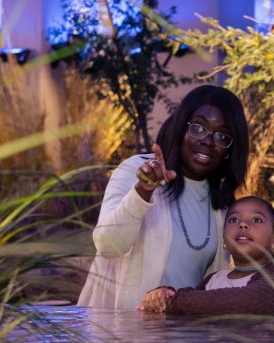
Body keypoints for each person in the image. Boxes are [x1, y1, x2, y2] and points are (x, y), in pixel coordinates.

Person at [78, 85, 250, 309]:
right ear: (181, 127)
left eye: (222, 136)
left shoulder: (222, 206)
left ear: (230, 149)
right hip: (119, 333)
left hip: (182, 340)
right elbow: (108, 246)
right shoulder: (136, 171)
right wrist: (143, 191)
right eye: (198, 128)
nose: (208, 141)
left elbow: (212, 287)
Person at [137, 196, 274, 315]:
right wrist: (163, 296)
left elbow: (247, 302)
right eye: (233, 220)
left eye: (256, 220)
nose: (243, 225)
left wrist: (174, 301)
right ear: (224, 238)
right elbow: (193, 308)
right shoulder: (213, 280)